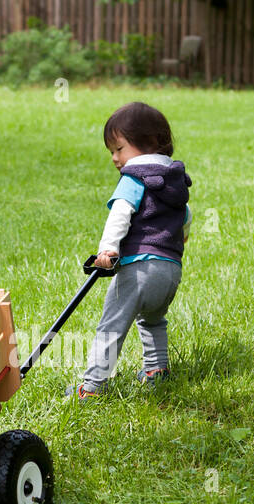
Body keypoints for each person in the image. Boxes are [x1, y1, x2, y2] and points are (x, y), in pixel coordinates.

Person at [75, 101, 191, 398]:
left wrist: (108, 251)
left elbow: (120, 215)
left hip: (137, 267)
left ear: (149, 143)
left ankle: (92, 387)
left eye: (119, 148)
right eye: (112, 151)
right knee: (153, 319)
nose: (114, 158)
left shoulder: (133, 178)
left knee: (111, 327)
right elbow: (186, 218)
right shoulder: (175, 180)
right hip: (170, 270)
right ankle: (157, 371)